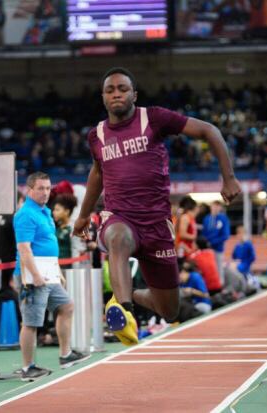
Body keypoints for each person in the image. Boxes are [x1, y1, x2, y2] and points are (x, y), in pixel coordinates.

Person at [72, 67, 241, 346]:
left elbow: (209, 130)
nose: (116, 94)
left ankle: (126, 296)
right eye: (110, 90)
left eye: (123, 89)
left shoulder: (154, 118)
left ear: (134, 94)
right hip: (119, 216)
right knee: (118, 237)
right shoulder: (97, 135)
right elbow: (98, 173)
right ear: (103, 97)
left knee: (168, 309)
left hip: (157, 225)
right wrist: (82, 216)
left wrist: (229, 177)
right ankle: (125, 311)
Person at [14, 172, 89, 381]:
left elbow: (48, 245)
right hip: (33, 274)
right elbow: (24, 249)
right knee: (31, 322)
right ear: (29, 190)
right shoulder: (25, 214)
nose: (45, 192)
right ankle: (28, 367)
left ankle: (65, 355)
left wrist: (56, 272)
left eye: (48, 188)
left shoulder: (45, 211)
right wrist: (36, 276)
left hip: (49, 273)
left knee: (66, 306)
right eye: (40, 188)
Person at [201, 200, 230, 284]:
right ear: (211, 207)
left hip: (218, 248)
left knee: (219, 268)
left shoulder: (223, 218)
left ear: (220, 208)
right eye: (214, 206)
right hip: (207, 249)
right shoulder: (207, 218)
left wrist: (213, 242)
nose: (215, 208)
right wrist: (205, 243)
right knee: (208, 269)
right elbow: (204, 233)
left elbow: (225, 235)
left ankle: (220, 286)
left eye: (218, 206)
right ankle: (210, 286)